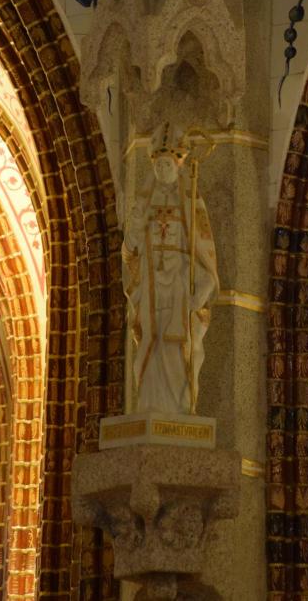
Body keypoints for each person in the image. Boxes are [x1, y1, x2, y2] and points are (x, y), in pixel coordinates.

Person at [122, 122, 219, 414]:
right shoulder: (144, 205)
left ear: (178, 167)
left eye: (167, 165)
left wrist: (203, 286)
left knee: (179, 344)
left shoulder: (190, 202)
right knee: (150, 343)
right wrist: (135, 226)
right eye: (158, 165)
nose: (162, 170)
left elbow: (202, 250)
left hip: (178, 282)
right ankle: (150, 403)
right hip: (151, 282)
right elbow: (130, 250)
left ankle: (180, 407)